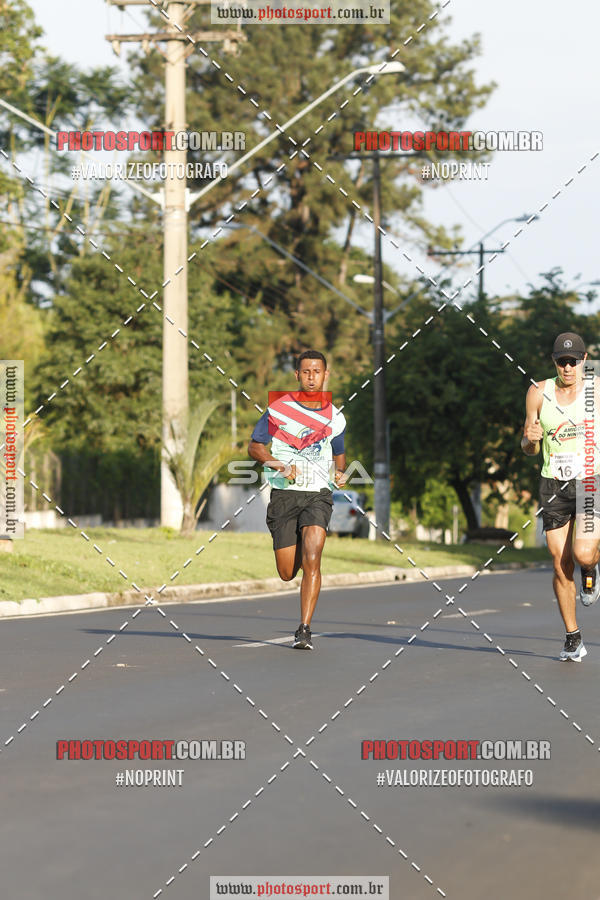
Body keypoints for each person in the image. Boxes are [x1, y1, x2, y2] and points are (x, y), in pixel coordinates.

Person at [248, 350, 347, 650]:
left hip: (318, 494)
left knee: (313, 557)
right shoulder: (278, 410)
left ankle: (304, 628)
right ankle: (302, 565)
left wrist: (340, 474)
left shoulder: (335, 416)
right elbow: (255, 447)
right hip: (284, 496)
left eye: (317, 371)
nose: (312, 377)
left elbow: (340, 458)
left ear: (326, 374)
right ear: (297, 375)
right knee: (287, 572)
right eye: (306, 371)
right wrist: (279, 465)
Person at [522, 332, 600, 662]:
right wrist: (530, 439)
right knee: (559, 562)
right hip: (553, 483)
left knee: (582, 554)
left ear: (584, 360)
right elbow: (528, 445)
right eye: (561, 361)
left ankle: (592, 570)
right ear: (554, 362)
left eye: (574, 361)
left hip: (589, 480)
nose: (567, 367)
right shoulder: (538, 392)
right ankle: (572, 636)